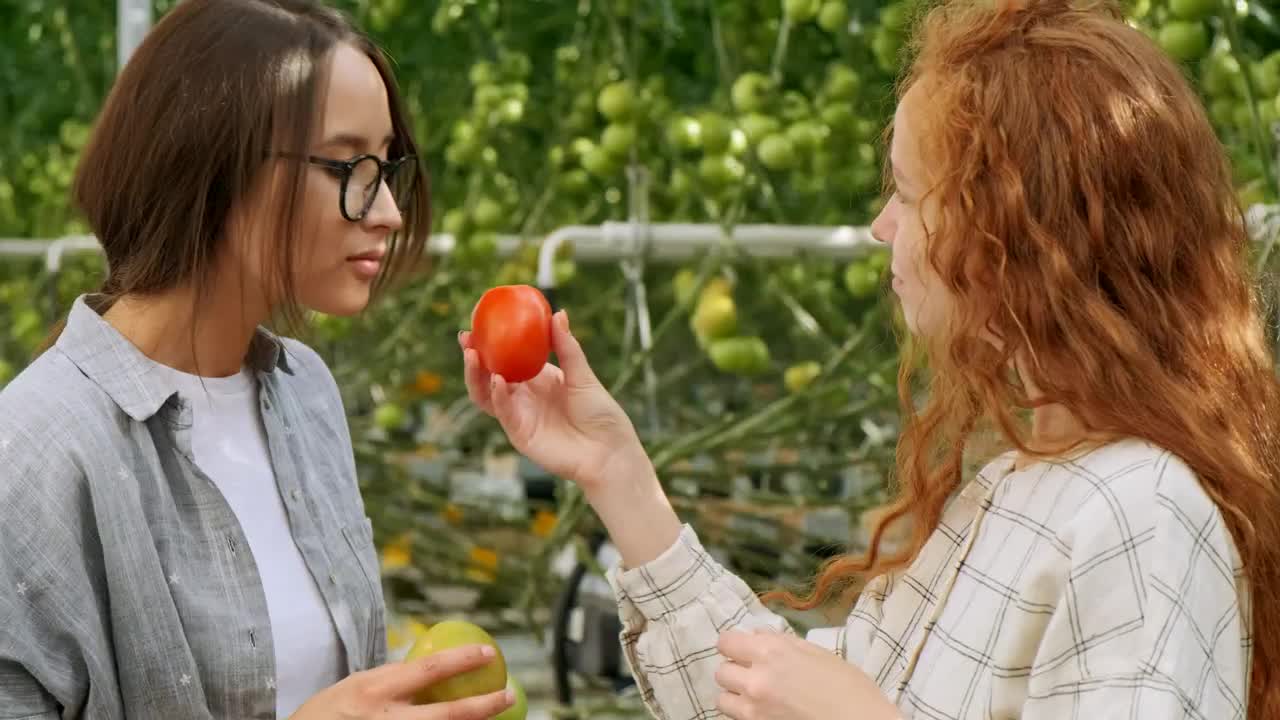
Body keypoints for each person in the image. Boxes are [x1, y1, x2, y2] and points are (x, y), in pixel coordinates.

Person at [461, 0, 1280, 718]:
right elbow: (761, 695)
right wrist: (617, 474)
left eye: (910, 194)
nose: (885, 227)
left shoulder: (1140, 518)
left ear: (1018, 238)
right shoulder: (1014, 487)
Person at [0, 1, 514, 719]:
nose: (389, 212)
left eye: (388, 165)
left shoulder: (303, 393)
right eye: (351, 166)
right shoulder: (34, 455)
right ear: (218, 167)